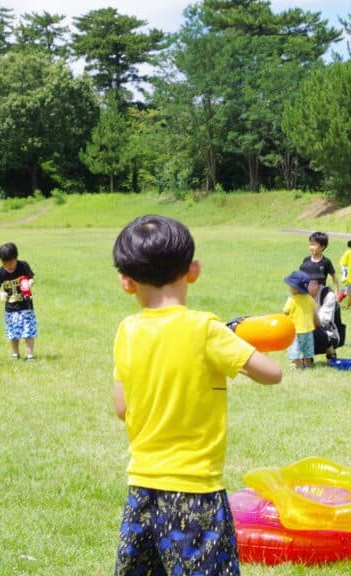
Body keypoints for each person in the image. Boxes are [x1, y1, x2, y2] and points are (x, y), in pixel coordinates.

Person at [111, 215, 282, 575]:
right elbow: (272, 373)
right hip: (196, 489)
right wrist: (234, 339)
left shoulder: (127, 330)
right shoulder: (207, 329)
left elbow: (121, 407)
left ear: (126, 282)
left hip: (142, 487)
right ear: (193, 270)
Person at [0, 242, 37, 360]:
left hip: (26, 305)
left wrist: (29, 283)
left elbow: (31, 278)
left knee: (29, 331)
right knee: (13, 332)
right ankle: (15, 353)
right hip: (11, 309)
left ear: (16, 258)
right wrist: (0, 293)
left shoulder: (23, 265)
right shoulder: (0, 272)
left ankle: (30, 355)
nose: (8, 266)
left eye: (11, 262)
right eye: (5, 263)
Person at [283, 270, 318, 369]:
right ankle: (308, 364)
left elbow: (285, 313)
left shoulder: (292, 300)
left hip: (295, 330)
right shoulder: (310, 298)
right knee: (307, 350)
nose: (289, 288)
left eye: (290, 286)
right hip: (308, 330)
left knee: (295, 350)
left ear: (295, 288)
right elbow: (314, 312)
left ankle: (298, 365)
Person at [308, 275, 343, 362]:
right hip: (306, 329)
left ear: (315, 284)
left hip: (328, 333)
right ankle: (306, 358)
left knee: (313, 331)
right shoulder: (300, 295)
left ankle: (330, 353)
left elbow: (322, 321)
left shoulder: (328, 295)